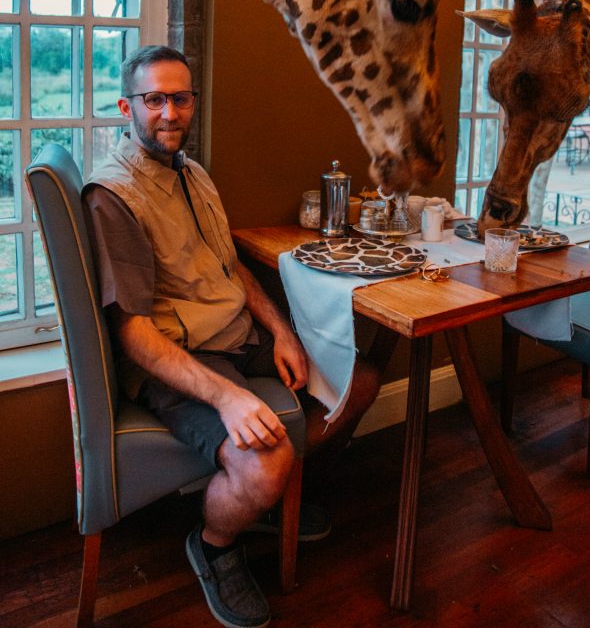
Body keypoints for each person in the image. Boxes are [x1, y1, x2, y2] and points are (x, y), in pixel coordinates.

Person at [83, 45, 380, 628]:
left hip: (236, 334)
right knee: (263, 463)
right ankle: (215, 543)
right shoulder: (114, 195)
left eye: (181, 98)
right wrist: (228, 396)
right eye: (155, 100)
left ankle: (261, 505)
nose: (170, 112)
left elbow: (229, 266)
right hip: (178, 358)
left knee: (358, 383)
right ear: (127, 107)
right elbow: (134, 335)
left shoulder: (192, 173)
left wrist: (281, 333)